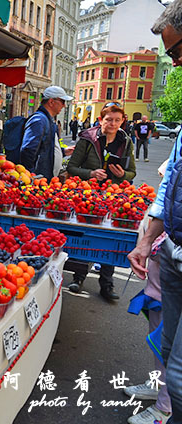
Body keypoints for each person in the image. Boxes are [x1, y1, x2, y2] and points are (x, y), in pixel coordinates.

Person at [128, 3, 182, 422]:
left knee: (181, 370)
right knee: (164, 338)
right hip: (174, 250)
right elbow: (169, 184)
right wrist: (147, 239)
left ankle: (166, 409)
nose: (175, 62)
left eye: (177, 51)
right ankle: (162, 393)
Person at [66, 104, 136, 300]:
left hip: (113, 196)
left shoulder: (126, 141)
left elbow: (132, 172)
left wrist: (123, 175)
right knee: (86, 235)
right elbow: (72, 167)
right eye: (108, 120)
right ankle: (79, 277)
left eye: (117, 120)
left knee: (110, 239)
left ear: (122, 121)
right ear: (100, 120)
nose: (112, 124)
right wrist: (91, 173)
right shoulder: (87, 139)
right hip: (88, 196)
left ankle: (107, 283)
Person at [124, 232, 172, 424]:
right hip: (159, 293)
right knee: (159, 346)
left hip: (174, 298)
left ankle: (165, 409)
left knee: (174, 355)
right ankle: (159, 385)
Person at [20, 86, 71, 179]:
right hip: (38, 179)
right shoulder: (39, 120)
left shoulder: (47, 119)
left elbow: (46, 148)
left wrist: (63, 152)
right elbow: (28, 150)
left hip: (44, 177)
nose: (64, 106)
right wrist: (32, 177)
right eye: (62, 101)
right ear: (51, 102)